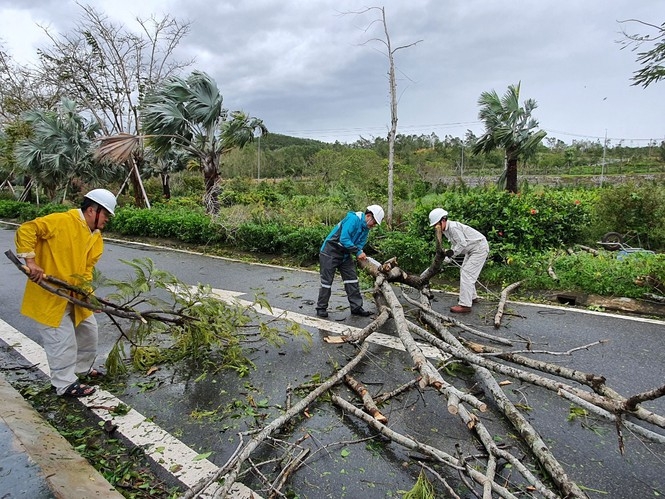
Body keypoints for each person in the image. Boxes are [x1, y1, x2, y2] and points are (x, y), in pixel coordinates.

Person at [15, 188, 117, 397]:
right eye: (106, 214)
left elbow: (86, 270)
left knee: (89, 333)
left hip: (75, 295)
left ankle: (82, 369)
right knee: (62, 342)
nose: (107, 219)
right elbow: (27, 229)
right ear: (92, 210)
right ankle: (64, 384)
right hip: (50, 296)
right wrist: (31, 262)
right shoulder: (61, 221)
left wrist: (89, 296)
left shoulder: (96, 238)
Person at [316, 204, 384, 318]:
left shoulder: (365, 229)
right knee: (326, 282)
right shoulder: (353, 219)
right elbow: (344, 238)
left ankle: (356, 307)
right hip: (330, 252)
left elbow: (359, 244)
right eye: (374, 222)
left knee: (352, 280)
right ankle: (321, 307)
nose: (374, 225)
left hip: (345, 254)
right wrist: (357, 252)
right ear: (368, 216)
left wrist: (359, 252)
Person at [428, 208, 489, 314]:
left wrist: (452, 255)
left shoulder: (453, 227)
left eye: (436, 224)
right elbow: (455, 244)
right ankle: (472, 297)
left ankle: (465, 305)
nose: (436, 227)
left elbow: (462, 244)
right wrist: (449, 256)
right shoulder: (446, 230)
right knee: (464, 272)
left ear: (443, 220)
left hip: (479, 249)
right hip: (471, 250)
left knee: (467, 274)